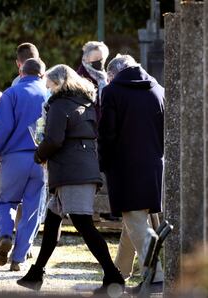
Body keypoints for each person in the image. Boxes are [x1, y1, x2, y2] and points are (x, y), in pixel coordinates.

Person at [17, 64, 125, 294]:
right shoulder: (83, 102)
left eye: (50, 86)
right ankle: (36, 273)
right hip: (80, 168)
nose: (48, 90)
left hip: (71, 172)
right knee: (53, 221)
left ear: (59, 84)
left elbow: (54, 139)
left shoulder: (59, 105)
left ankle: (113, 277)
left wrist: (38, 154)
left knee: (83, 224)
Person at [98, 54, 164, 291]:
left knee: (136, 221)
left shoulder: (113, 92)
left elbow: (107, 134)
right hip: (155, 164)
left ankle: (155, 276)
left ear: (113, 74)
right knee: (134, 219)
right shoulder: (158, 89)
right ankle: (117, 275)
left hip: (125, 167)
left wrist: (103, 164)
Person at [0, 58, 47, 272]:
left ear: (22, 73)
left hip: (14, 157)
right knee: (32, 209)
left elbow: (4, 126)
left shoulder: (11, 93)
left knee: (7, 202)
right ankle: (19, 258)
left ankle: (5, 236)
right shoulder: (50, 94)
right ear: (42, 75)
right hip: (42, 160)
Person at [77, 41, 109, 121]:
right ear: (85, 58)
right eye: (96, 59)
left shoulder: (106, 76)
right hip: (90, 123)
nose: (100, 61)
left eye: (102, 59)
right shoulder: (80, 78)